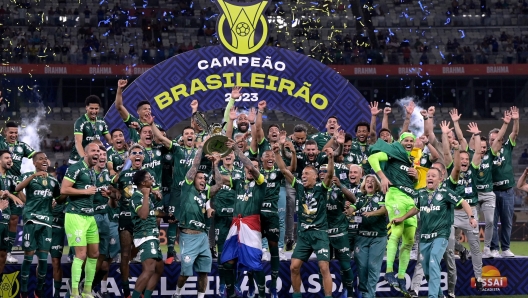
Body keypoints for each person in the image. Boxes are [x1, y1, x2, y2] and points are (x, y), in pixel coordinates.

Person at [394, 166, 477, 298]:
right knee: (426, 270)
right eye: (428, 176)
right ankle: (440, 295)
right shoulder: (421, 193)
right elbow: (416, 209)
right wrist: (402, 218)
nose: (430, 178)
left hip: (441, 235)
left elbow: (464, 202)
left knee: (433, 259)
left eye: (433, 176)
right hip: (425, 237)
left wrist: (471, 217)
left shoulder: (445, 193)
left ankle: (432, 296)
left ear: (440, 179)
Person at [275, 144, 336, 298]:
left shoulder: (321, 189)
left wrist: (331, 158)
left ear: (315, 176)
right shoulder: (300, 188)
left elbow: (329, 175)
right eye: (302, 173)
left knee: (324, 268)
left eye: (307, 173)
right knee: (294, 267)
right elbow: (284, 171)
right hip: (304, 236)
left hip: (319, 234)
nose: (303, 175)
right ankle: (297, 296)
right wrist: (277, 153)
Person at [368, 133, 418, 295]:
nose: (409, 143)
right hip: (395, 194)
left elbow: (413, 184)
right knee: (396, 232)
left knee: (409, 240)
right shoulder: (392, 153)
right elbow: (372, 158)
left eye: (411, 141)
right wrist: (382, 177)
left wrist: (416, 178)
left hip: (410, 198)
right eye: (406, 140)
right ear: (400, 141)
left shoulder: (409, 160)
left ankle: (401, 276)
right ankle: (389, 271)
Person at [172, 148, 222, 298]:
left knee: (203, 272)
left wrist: (215, 164)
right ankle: (177, 293)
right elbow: (194, 166)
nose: (203, 181)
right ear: (193, 179)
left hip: (202, 238)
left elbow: (218, 184)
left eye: (204, 179)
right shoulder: (187, 189)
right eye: (200, 178)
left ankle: (200, 297)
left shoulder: (204, 194)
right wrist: (201, 148)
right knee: (185, 272)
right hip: (188, 236)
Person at [220, 139, 267, 298]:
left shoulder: (261, 183)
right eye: (248, 167)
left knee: (254, 265)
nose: (250, 168)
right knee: (227, 261)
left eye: (254, 167)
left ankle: (261, 294)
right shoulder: (239, 183)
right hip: (236, 225)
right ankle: (231, 294)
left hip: (251, 227)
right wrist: (214, 162)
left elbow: (250, 165)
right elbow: (220, 179)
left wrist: (235, 148)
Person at [15, 152, 62, 298]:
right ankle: (23, 291)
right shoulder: (29, 175)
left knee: (43, 258)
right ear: (35, 163)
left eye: (46, 158)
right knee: (28, 256)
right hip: (31, 220)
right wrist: (33, 177)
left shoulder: (53, 181)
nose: (45, 160)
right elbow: (17, 189)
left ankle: (39, 290)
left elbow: (59, 197)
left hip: (47, 221)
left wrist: (57, 201)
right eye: (41, 159)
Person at [60, 143, 101, 297]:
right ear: (85, 153)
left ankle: (87, 291)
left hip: (89, 217)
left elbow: (89, 192)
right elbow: (64, 189)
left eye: (98, 151)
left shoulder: (92, 171)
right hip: (75, 215)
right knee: (81, 255)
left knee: (94, 254)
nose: (96, 153)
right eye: (93, 151)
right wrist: (85, 191)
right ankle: (75, 293)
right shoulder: (75, 168)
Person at [112, 143, 147, 297]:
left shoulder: (148, 174)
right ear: (129, 157)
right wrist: (115, 194)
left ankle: (142, 290)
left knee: (144, 254)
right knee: (125, 253)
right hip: (126, 217)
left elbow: (156, 190)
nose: (137, 154)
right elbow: (112, 186)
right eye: (134, 153)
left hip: (142, 219)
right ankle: (126, 291)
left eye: (140, 152)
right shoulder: (123, 174)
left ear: (144, 157)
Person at [0, 121, 36, 264]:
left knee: (13, 220)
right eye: (11, 133)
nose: (14, 135)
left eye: (16, 133)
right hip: (1, 182)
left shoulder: (21, 146)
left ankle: (8, 252)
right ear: (5, 133)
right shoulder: (1, 143)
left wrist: (43, 161)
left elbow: (36, 155)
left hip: (14, 187)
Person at [319, 162, 356, 298]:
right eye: (321, 172)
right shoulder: (316, 190)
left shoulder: (338, 188)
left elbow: (353, 199)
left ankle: (349, 293)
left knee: (345, 266)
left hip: (340, 233)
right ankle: (324, 294)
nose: (323, 174)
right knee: (322, 268)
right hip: (324, 235)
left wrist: (340, 185)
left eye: (325, 171)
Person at [346, 174, 387, 298]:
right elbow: (353, 207)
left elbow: (384, 209)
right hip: (361, 237)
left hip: (378, 237)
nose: (370, 183)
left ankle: (370, 294)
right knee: (362, 266)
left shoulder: (381, 195)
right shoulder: (360, 197)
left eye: (372, 181)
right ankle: (364, 292)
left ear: (377, 184)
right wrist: (347, 211)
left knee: (373, 266)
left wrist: (371, 213)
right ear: (364, 184)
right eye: (367, 181)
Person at [212, 151, 243, 297]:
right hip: (220, 217)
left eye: (230, 153)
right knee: (221, 252)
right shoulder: (216, 170)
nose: (228, 156)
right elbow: (207, 190)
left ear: (234, 155)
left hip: (237, 217)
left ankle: (236, 282)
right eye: (225, 154)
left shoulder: (241, 171)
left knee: (238, 252)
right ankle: (223, 282)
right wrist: (208, 207)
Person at [130, 170, 166, 298]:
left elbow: (151, 213)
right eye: (149, 178)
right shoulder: (136, 197)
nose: (152, 180)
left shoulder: (147, 196)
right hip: (145, 235)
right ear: (142, 182)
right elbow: (143, 215)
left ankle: (146, 296)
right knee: (149, 269)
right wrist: (146, 195)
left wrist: (167, 216)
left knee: (158, 269)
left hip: (152, 234)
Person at [489, 106, 519, 258]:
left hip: (507, 191)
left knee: (507, 221)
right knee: (492, 222)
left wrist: (516, 120)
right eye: (491, 140)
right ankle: (494, 248)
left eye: (497, 139)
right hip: (492, 192)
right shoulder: (487, 154)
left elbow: (514, 133)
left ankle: (505, 248)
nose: (494, 141)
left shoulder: (507, 147)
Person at [0, 150, 24, 283]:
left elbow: (23, 198)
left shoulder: (11, 177)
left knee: (3, 255)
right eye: (6, 158)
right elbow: (4, 193)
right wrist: (9, 194)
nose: (10, 160)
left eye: (11, 158)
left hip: (4, 221)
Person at [69, 95, 112, 165]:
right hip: (77, 159)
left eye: (96, 108)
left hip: (92, 160)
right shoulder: (80, 122)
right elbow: (78, 142)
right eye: (91, 108)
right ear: (86, 108)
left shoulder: (101, 122)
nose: (94, 111)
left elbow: (110, 140)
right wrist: (84, 159)